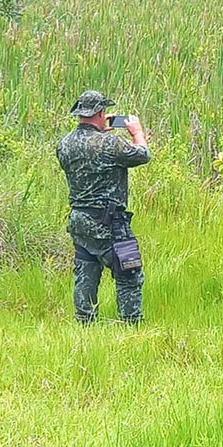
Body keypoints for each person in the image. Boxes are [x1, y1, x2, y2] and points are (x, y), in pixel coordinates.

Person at [56, 90, 151, 324]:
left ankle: (84, 323)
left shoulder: (64, 144)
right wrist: (137, 132)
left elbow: (86, 158)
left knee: (86, 271)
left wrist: (101, 133)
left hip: (79, 220)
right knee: (129, 272)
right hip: (111, 222)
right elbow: (143, 154)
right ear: (101, 112)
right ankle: (131, 325)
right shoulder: (110, 142)